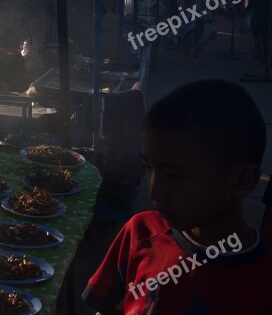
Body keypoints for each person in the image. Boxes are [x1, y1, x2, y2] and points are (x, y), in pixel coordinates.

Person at [83, 79, 271, 314]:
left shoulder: (263, 281)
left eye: (173, 175)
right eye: (148, 168)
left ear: (242, 180)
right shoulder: (140, 233)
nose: (154, 192)